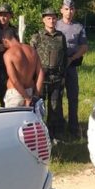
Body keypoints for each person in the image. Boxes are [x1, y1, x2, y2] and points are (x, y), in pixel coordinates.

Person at [55, 0, 89, 138]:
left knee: (73, 97)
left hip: (71, 66)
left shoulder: (79, 27)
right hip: (56, 67)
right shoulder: (55, 25)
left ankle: (74, 128)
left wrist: (72, 58)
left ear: (75, 11)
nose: (69, 12)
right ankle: (59, 127)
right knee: (57, 97)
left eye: (72, 9)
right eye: (66, 9)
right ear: (61, 10)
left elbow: (84, 46)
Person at [31, 8, 68, 138]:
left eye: (53, 18)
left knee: (55, 107)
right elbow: (31, 57)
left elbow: (64, 57)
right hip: (41, 79)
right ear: (43, 20)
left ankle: (53, 135)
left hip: (56, 78)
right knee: (38, 107)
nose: (51, 21)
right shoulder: (37, 37)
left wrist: (63, 76)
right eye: (48, 18)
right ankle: (38, 135)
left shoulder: (61, 37)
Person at [2, 28, 44, 108]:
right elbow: (40, 73)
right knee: (28, 120)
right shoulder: (32, 50)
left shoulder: (8, 54)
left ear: (5, 39)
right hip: (30, 91)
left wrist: (26, 98)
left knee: (13, 120)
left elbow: (14, 80)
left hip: (15, 93)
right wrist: (36, 95)